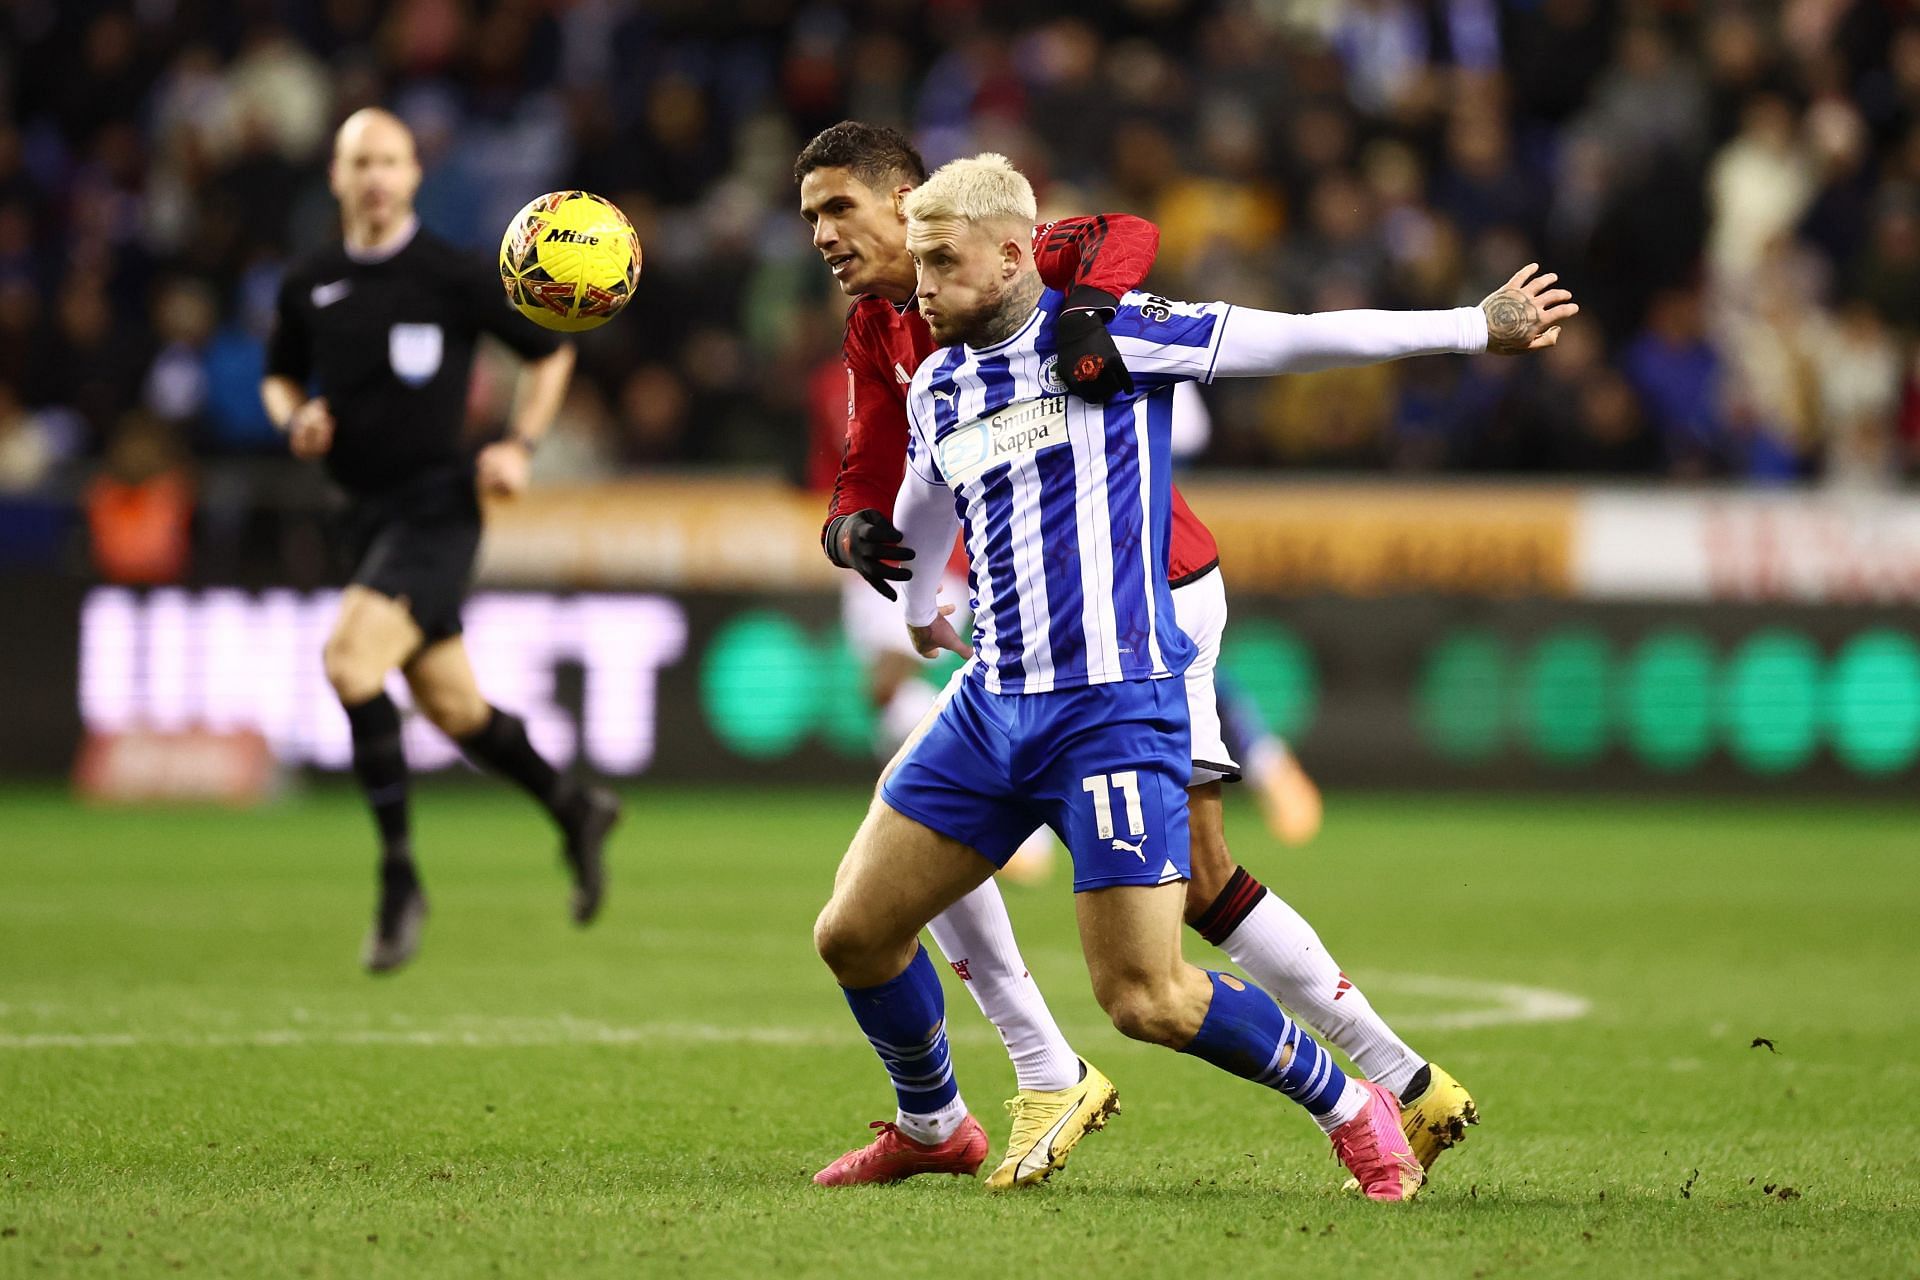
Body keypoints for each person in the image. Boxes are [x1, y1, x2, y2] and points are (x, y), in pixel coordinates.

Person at [810, 152, 1575, 1201]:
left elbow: (1297, 341)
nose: (923, 289)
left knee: (1148, 995)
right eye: (922, 267)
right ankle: (938, 1120)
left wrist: (1470, 326)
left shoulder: (1112, 336)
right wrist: (914, 608)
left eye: (942, 265)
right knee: (851, 930)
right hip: (992, 705)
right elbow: (921, 503)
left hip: (1115, 706)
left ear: (1008, 254)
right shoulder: (939, 379)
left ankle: (1354, 1104)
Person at [260, 108, 620, 974]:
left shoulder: (452, 274)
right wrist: (295, 416)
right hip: (364, 517)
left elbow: (551, 353)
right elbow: (280, 374)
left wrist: (517, 444)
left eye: (390, 160)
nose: (376, 176)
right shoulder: (309, 281)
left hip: (439, 508)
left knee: (350, 661)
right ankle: (574, 808)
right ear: (337, 177)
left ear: (414, 174)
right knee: (455, 710)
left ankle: (398, 879)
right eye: (360, 162)